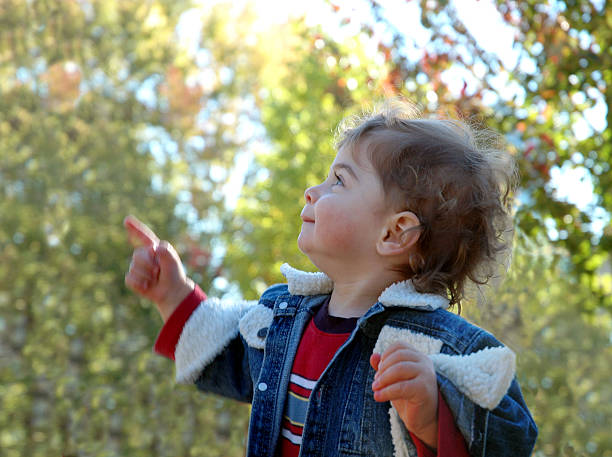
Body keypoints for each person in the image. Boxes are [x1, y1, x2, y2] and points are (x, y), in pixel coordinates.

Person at [124, 100, 537, 457]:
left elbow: (511, 436)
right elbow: (226, 350)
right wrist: (172, 293)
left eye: (339, 180)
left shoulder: (436, 348)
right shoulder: (282, 317)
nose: (312, 190)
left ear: (394, 233)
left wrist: (432, 411)